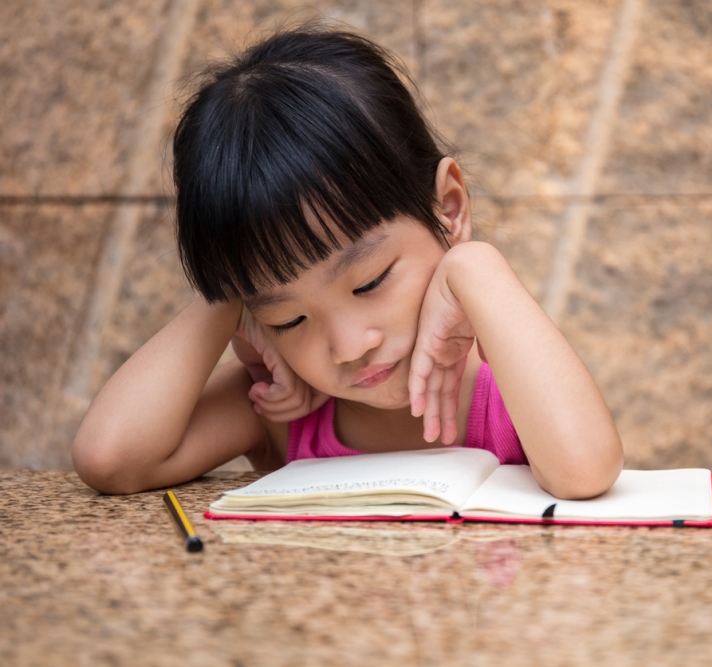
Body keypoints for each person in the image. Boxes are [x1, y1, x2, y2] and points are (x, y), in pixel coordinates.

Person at [72, 27, 623, 499]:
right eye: (290, 319)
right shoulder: (285, 413)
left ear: (449, 208)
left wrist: (475, 266)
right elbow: (111, 457)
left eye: (371, 281)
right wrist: (228, 299)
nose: (348, 345)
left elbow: (584, 469)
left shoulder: (513, 392)